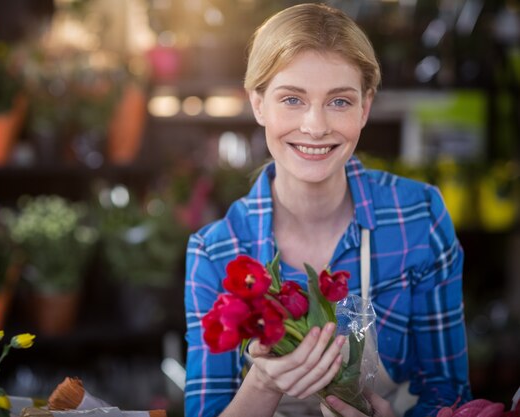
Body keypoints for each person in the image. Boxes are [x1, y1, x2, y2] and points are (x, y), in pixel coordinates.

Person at [183, 2, 472, 417]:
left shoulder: (419, 217)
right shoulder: (217, 252)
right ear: (258, 103)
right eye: (292, 99)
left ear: (365, 106)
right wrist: (264, 382)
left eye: (339, 101)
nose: (316, 126)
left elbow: (450, 393)